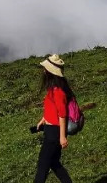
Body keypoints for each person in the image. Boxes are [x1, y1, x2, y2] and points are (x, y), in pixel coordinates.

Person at [29, 54, 75, 183]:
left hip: (54, 132)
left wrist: (62, 137)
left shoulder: (58, 91)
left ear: (50, 72)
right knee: (53, 162)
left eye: (46, 68)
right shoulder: (53, 89)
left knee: (43, 165)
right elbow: (52, 109)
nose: (43, 71)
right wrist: (43, 119)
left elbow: (62, 114)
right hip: (51, 129)